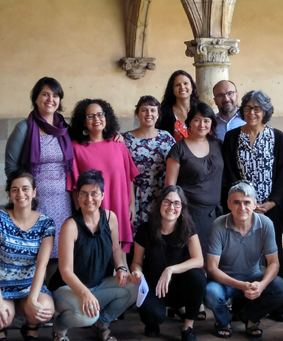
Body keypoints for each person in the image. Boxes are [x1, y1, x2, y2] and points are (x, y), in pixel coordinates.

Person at [49, 170, 138, 341]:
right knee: (86, 315)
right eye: (84, 194)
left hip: (98, 284)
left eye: (94, 193)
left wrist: (121, 268)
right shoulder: (71, 226)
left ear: (103, 195)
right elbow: (65, 271)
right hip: (68, 288)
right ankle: (59, 328)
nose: (89, 199)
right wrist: (85, 293)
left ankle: (101, 324)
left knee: (134, 286)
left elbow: (115, 250)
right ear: (78, 196)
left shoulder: (110, 218)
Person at [222, 90, 283, 322]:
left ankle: (280, 305)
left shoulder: (277, 136)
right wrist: (244, 204)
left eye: (257, 108)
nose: (252, 112)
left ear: (265, 112)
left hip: (271, 207)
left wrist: (272, 202)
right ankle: (243, 306)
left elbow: (281, 172)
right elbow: (230, 171)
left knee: (273, 252)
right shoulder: (232, 137)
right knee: (243, 254)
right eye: (249, 108)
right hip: (242, 207)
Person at [0, 170, 55, 341]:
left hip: (29, 285)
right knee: (0, 316)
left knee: (45, 309)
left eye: (25, 189)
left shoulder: (46, 223)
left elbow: (42, 265)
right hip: (1, 285)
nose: (20, 194)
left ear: (34, 192)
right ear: (10, 194)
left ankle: (31, 329)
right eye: (15, 190)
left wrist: (34, 299)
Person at [4, 77, 73, 277]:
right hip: (35, 201)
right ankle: (32, 296)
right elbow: (11, 166)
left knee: (60, 250)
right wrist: (24, 195)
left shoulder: (64, 129)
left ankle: (55, 295)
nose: (50, 99)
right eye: (45, 94)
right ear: (35, 98)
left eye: (55, 95)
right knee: (35, 250)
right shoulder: (24, 128)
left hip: (62, 201)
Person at [205, 182, 283, 339]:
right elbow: (212, 268)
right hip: (225, 281)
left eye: (247, 202)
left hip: (253, 277)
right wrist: (240, 285)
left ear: (255, 204)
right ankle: (223, 321)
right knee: (210, 292)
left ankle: (251, 318)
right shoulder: (218, 225)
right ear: (229, 204)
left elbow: (274, 263)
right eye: (237, 202)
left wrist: (262, 284)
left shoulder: (265, 224)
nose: (242, 207)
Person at [130, 185, 206, 341]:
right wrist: (136, 272)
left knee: (198, 278)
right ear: (159, 204)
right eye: (167, 202)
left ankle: (188, 328)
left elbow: (199, 260)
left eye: (177, 204)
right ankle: (154, 320)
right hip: (154, 284)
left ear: (182, 208)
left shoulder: (188, 228)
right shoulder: (145, 229)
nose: (172, 207)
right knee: (152, 318)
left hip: (180, 284)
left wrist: (170, 269)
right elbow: (136, 262)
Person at [68, 99, 139, 253]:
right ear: (83, 121)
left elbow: (129, 177)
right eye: (90, 116)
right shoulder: (76, 148)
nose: (96, 119)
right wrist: (81, 212)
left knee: (118, 256)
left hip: (119, 206)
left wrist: (132, 204)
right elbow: (74, 185)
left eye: (100, 114)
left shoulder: (118, 144)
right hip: (92, 210)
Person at [166, 102, 224, 255]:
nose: (202, 124)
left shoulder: (219, 145)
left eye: (206, 120)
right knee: (193, 260)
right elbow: (170, 187)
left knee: (215, 258)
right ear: (190, 122)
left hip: (216, 214)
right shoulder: (178, 149)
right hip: (189, 214)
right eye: (197, 120)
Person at [123, 96, 176, 231]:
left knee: (160, 236)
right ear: (137, 114)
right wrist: (130, 203)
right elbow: (124, 172)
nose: (149, 114)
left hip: (161, 193)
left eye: (153, 110)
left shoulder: (167, 138)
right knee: (137, 238)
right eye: (144, 110)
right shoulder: (125, 139)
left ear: (158, 114)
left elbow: (176, 164)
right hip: (135, 195)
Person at [158, 70, 199, 141]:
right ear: (172, 89)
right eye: (177, 85)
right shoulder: (164, 112)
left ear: (192, 87)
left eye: (185, 83)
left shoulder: (200, 109)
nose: (182, 87)